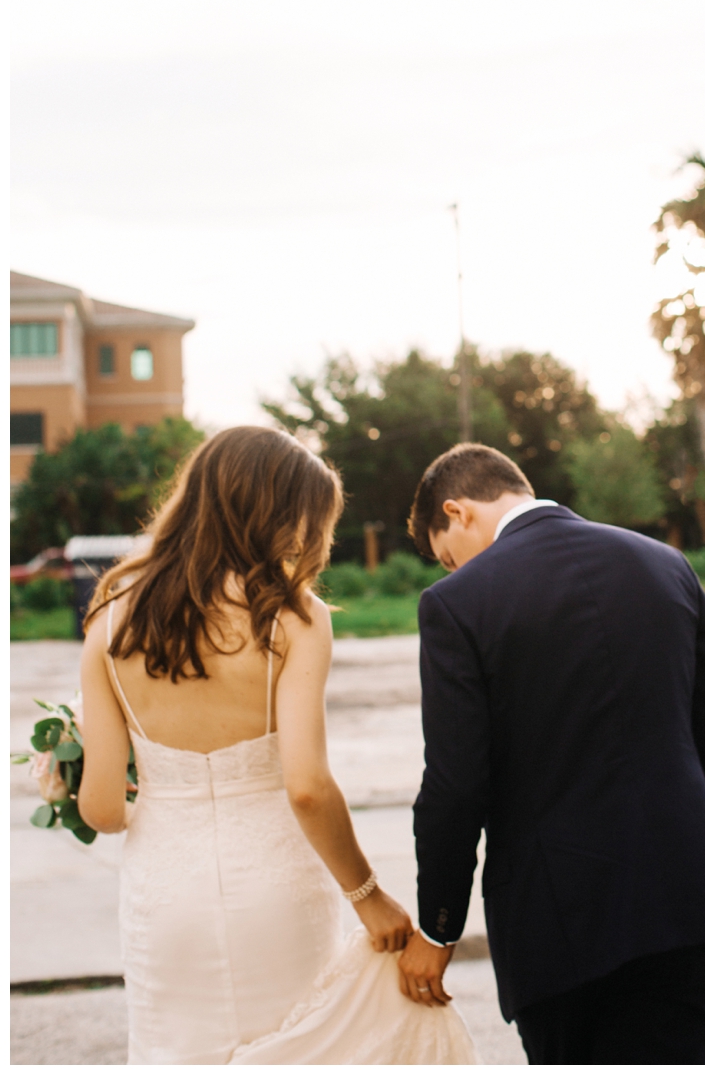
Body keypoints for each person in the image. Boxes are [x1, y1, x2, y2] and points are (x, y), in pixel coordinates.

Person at [78, 426, 476, 1065]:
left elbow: (99, 809)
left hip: (164, 892)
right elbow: (307, 786)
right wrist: (369, 898)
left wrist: (157, 801)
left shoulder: (109, 614)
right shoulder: (293, 616)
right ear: (276, 514)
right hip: (276, 888)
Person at [398, 442, 705, 1064]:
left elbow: (456, 786)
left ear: (456, 512)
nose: (451, 571)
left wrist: (438, 926)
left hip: (559, 926)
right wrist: (675, 842)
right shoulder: (666, 564)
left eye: (445, 557)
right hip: (685, 901)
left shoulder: (457, 604)